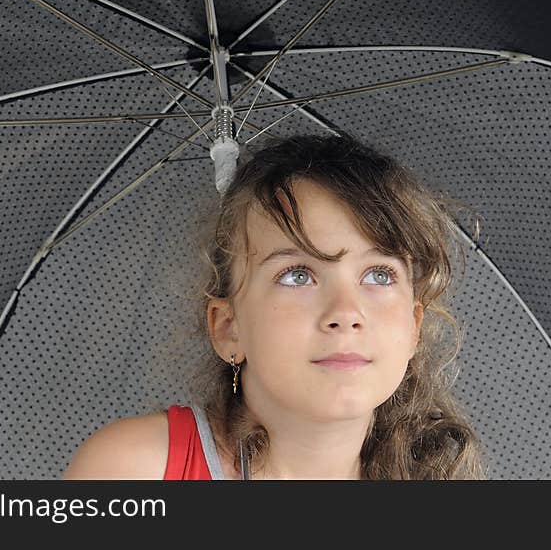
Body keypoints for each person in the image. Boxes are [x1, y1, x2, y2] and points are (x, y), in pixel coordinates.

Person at [63, 132, 487, 480]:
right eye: (297, 275)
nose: (346, 313)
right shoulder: (135, 469)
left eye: (379, 275)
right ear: (228, 328)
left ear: (414, 326)